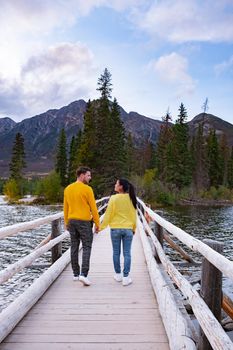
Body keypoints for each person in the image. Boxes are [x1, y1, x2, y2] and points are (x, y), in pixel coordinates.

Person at [64, 166, 100, 286]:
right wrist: (97, 223)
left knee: (74, 247)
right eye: (88, 175)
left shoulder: (68, 189)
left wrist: (66, 222)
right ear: (82, 175)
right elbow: (94, 208)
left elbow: (66, 208)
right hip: (84, 221)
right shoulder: (87, 189)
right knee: (86, 247)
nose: (90, 178)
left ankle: (75, 274)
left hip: (72, 221)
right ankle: (83, 274)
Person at [100, 178, 137, 286]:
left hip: (115, 229)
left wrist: (101, 227)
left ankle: (118, 275)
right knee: (127, 253)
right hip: (128, 229)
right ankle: (126, 277)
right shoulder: (131, 198)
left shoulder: (113, 198)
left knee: (116, 253)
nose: (115, 185)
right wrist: (133, 228)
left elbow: (108, 214)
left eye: (116, 184)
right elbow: (133, 215)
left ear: (121, 187)